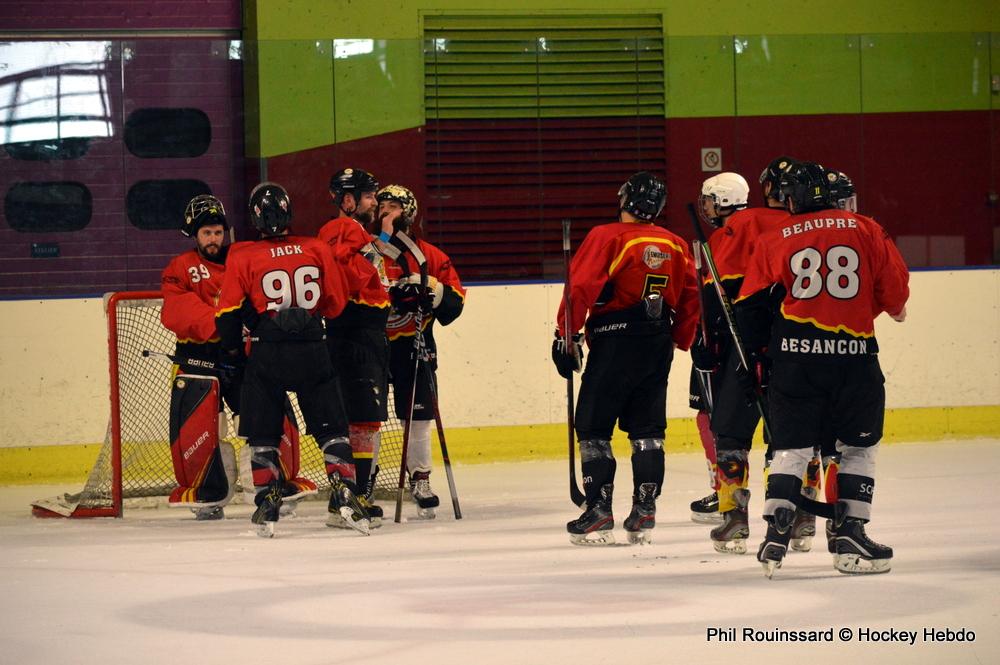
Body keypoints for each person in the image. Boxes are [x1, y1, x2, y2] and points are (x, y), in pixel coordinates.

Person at [734, 162, 909, 577]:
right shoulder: (866, 228)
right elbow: (896, 296)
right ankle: (850, 531)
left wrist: (759, 358)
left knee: (790, 448)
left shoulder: (775, 236)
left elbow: (752, 305)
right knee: (857, 447)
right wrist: (855, 316)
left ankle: (777, 530)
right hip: (854, 359)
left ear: (793, 197)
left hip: (795, 360)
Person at [216, 182, 371, 537]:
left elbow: (226, 314)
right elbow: (336, 303)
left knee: (263, 433)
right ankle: (345, 492)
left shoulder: (241, 254)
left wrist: (232, 352)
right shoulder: (316, 247)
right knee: (332, 429)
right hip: (313, 348)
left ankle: (267, 499)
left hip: (268, 352)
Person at [553, 171, 699, 546]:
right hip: (656, 343)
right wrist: (680, 339)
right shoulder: (676, 244)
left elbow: (581, 286)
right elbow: (691, 298)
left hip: (614, 341)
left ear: (624, 199)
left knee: (593, 427)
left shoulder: (607, 236)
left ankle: (599, 509)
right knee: (648, 430)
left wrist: (566, 334)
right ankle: (645, 508)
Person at [687, 166, 806, 555]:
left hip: (746, 348)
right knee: (796, 434)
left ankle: (735, 519)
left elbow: (716, 289)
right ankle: (802, 518)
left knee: (732, 432)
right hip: (796, 346)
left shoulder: (740, 224)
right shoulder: (805, 224)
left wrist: (707, 337)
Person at [376, 184, 466, 519]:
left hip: (415, 344)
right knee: (368, 419)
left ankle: (420, 479)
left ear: (409, 213)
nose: (385, 213)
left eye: (393, 207)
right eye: (381, 207)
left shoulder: (431, 256)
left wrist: (435, 291)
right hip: (373, 346)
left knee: (418, 417)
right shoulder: (370, 250)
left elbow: (455, 304)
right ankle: (365, 482)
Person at [319, 168, 392, 528]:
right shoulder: (340, 228)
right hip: (353, 334)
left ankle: (353, 495)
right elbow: (345, 276)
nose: (374, 201)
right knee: (360, 421)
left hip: (363, 335)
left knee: (365, 421)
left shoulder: (357, 232)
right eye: (368, 195)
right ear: (347, 200)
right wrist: (378, 247)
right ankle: (351, 497)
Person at [159, 194, 240, 520]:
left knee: (252, 420)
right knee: (209, 428)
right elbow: (175, 311)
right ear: (195, 234)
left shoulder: (240, 260)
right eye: (207, 233)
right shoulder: (179, 267)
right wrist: (224, 322)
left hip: (237, 355)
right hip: (196, 358)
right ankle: (211, 495)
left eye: (218, 232)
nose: (213, 239)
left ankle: (265, 486)